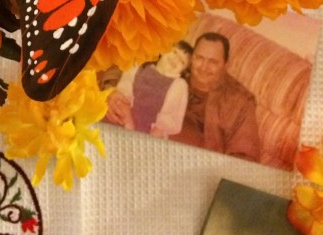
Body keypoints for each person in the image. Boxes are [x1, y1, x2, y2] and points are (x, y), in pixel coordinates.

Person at [171, 32, 261, 161]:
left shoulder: (239, 102)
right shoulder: (175, 73)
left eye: (213, 62)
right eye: (199, 58)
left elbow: (246, 158)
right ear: (192, 57)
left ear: (225, 64)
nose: (204, 67)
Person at [104, 42, 193, 137]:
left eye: (182, 61)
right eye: (175, 52)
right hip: (121, 121)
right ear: (164, 50)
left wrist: (149, 139)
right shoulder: (138, 66)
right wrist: (129, 127)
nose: (176, 60)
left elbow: (172, 120)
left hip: (149, 136)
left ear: (184, 71)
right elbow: (122, 96)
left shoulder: (179, 86)